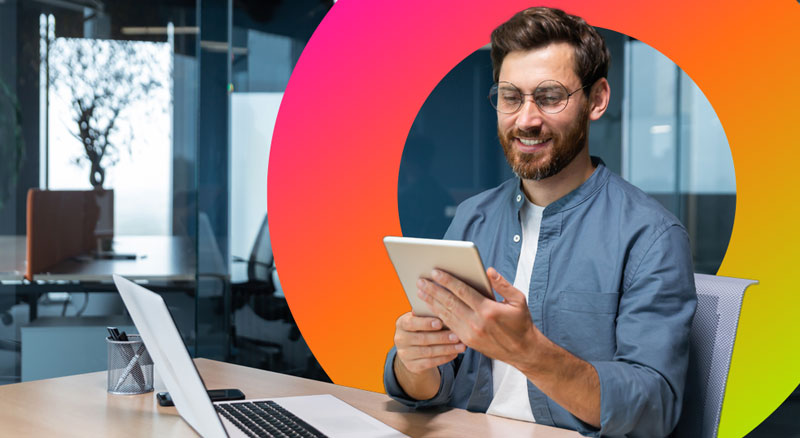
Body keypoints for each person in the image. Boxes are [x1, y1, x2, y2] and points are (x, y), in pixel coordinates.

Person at [383, 7, 697, 437]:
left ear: (597, 99)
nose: (527, 119)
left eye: (550, 97)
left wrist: (530, 351)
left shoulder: (650, 237)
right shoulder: (472, 219)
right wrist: (414, 361)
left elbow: (653, 410)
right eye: (511, 97)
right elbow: (433, 386)